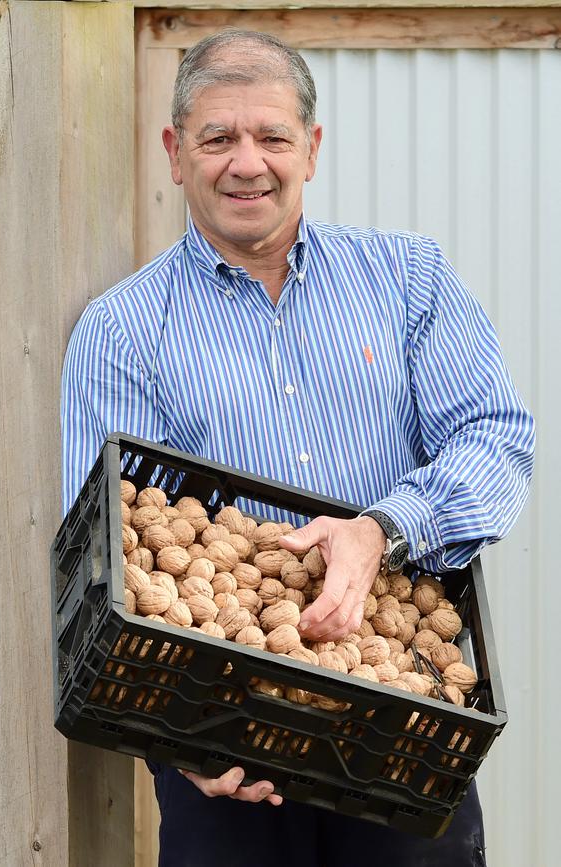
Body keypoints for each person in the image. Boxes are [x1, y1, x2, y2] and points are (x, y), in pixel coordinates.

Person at [61, 29, 534, 867]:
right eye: (218, 138)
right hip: (221, 736)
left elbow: (496, 439)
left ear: (310, 149)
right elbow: (113, 557)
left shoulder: (408, 279)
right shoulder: (121, 333)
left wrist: (380, 529)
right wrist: (181, 735)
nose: (248, 163)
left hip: (400, 721)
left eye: (272, 137)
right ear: (176, 153)